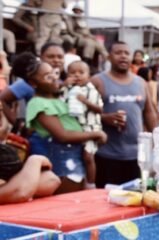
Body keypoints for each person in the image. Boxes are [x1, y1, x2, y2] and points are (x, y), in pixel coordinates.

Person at [19, 54, 107, 193]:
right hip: (61, 167)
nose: (54, 77)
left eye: (54, 73)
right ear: (33, 83)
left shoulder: (58, 97)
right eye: (47, 76)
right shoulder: (38, 104)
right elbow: (63, 135)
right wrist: (95, 133)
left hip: (74, 161)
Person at [90, 41, 159, 189]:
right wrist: (104, 118)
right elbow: (83, 115)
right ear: (109, 57)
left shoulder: (140, 82)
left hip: (137, 156)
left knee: (135, 201)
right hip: (106, 155)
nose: (123, 56)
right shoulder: (97, 81)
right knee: (107, 203)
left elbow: (149, 113)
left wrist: (157, 145)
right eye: (118, 53)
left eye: (127, 53)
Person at [1, 42, 66, 127]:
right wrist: (19, 125)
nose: (56, 60)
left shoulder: (70, 77)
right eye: (51, 56)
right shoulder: (29, 82)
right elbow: (3, 98)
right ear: (41, 57)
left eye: (60, 57)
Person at [66, 60, 103, 187]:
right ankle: (80, 182)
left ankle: (91, 184)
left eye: (81, 72)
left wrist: (85, 101)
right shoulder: (68, 89)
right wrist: (64, 86)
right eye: (72, 73)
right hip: (73, 129)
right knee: (76, 156)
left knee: (88, 156)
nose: (77, 75)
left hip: (90, 128)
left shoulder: (91, 91)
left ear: (88, 75)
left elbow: (99, 109)